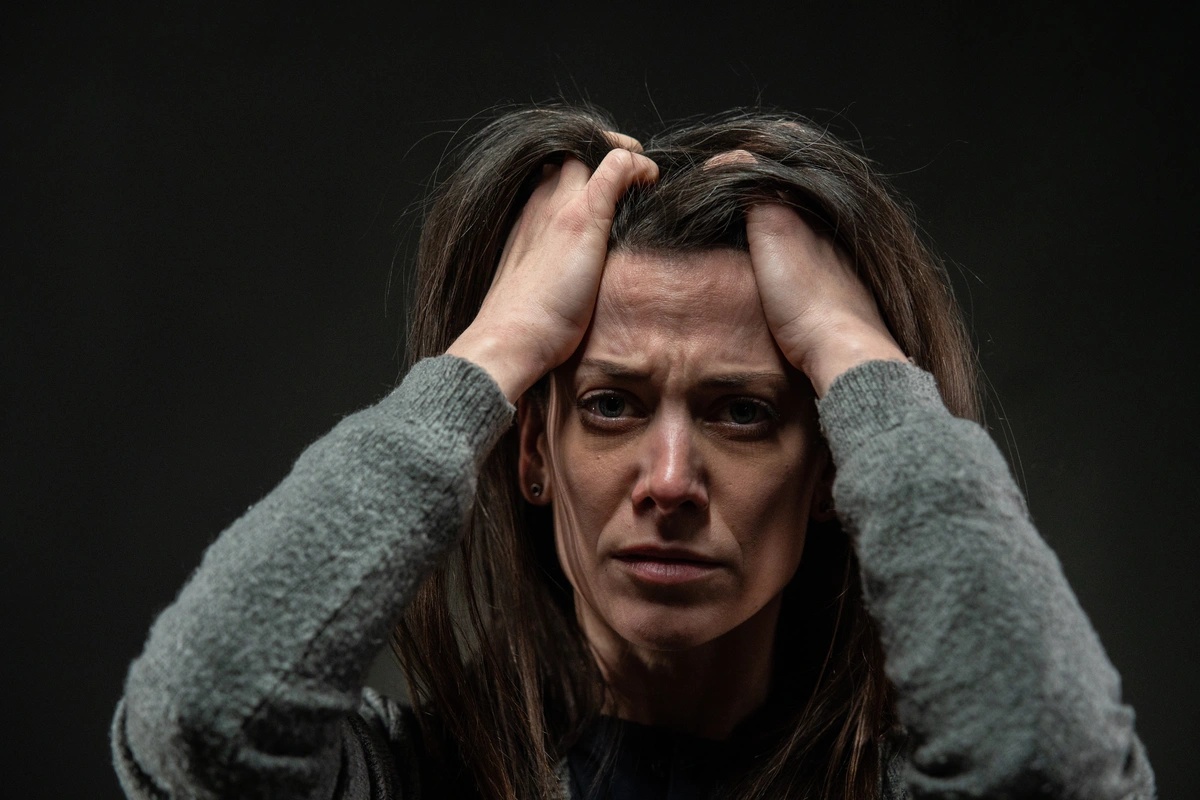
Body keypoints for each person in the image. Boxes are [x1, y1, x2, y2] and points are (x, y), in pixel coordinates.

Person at [111, 104, 1155, 799]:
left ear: (837, 466)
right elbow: (203, 716)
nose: (668, 481)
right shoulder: (411, 779)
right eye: (608, 404)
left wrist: (853, 354)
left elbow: (1048, 764)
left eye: (741, 411)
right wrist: (494, 351)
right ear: (530, 454)